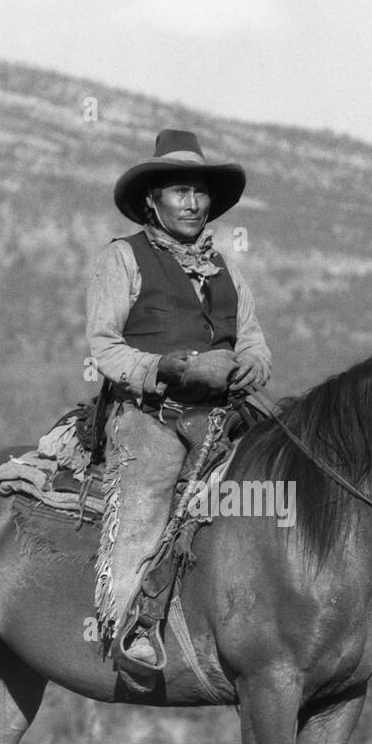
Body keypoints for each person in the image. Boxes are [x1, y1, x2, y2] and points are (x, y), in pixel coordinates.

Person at [86, 129, 271, 669]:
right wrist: (169, 367)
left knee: (288, 477)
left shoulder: (228, 269)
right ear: (152, 199)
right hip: (152, 415)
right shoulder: (121, 259)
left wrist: (250, 368)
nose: (193, 203)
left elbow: (255, 340)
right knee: (148, 498)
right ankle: (127, 629)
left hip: (224, 412)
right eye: (179, 192)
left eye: (200, 193)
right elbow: (105, 347)